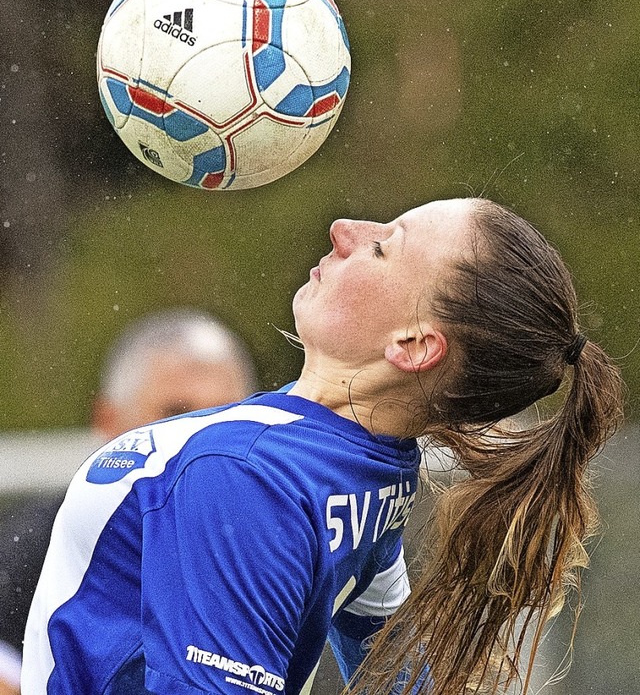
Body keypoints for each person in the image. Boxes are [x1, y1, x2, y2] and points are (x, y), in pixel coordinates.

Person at [21, 198, 623, 695]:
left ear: (413, 346)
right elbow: (391, 666)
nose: (343, 230)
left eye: (383, 246)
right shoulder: (372, 462)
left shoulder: (243, 476)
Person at [0, 309, 257, 695]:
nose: (204, 441)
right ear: (108, 422)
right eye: (177, 415)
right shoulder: (32, 552)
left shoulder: (287, 546)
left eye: (226, 417)